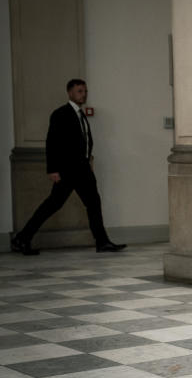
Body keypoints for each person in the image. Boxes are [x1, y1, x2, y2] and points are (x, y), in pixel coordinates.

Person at [10, 79, 126, 255]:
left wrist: (88, 162)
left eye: (85, 91)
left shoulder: (81, 115)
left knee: (94, 203)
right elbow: (52, 142)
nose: (84, 94)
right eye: (80, 91)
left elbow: (84, 142)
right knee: (52, 205)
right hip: (67, 171)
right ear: (70, 93)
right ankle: (21, 239)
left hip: (83, 169)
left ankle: (102, 242)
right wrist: (52, 169)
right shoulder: (61, 114)